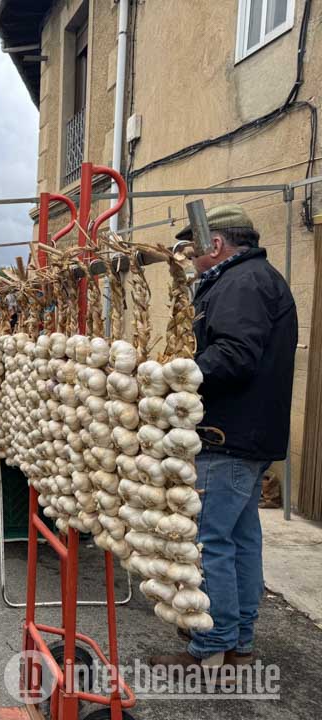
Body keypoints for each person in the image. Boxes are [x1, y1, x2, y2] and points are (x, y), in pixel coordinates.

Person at [150, 205, 297, 673]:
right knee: (239, 539)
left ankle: (212, 647)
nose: (190, 257)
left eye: (193, 247)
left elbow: (234, 356)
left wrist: (173, 378)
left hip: (228, 434)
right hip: (247, 433)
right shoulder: (253, 279)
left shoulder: (241, 283)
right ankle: (238, 644)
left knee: (211, 542)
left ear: (215, 244)